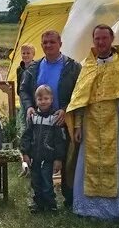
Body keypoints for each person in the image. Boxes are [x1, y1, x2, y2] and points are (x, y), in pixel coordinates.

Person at [66, 25, 119, 221]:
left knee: (115, 163)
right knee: (88, 163)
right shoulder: (87, 65)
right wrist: (78, 125)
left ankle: (115, 209)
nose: (100, 42)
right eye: (97, 38)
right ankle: (87, 208)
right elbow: (80, 100)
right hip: (90, 122)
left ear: (112, 38)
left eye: (104, 38)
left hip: (115, 121)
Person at [19, 30, 82, 205]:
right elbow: (23, 90)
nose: (48, 45)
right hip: (39, 121)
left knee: (66, 159)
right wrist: (29, 107)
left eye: (52, 42)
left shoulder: (73, 67)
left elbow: (79, 93)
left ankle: (70, 198)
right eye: (45, 42)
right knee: (40, 158)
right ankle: (40, 197)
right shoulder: (33, 67)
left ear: (60, 43)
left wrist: (65, 109)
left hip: (63, 120)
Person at [20, 85, 68, 213]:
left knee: (47, 181)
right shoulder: (33, 118)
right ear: (36, 101)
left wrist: (58, 159)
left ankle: (51, 204)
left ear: (52, 100)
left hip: (48, 158)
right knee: (35, 181)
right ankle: (38, 203)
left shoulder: (54, 119)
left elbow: (59, 141)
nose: (43, 101)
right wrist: (25, 153)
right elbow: (27, 136)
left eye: (46, 98)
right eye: (40, 99)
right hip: (35, 157)